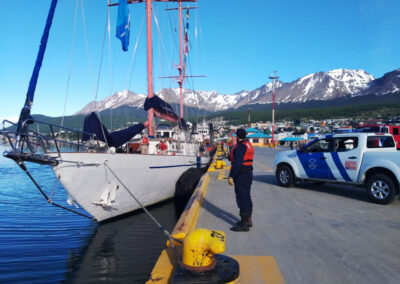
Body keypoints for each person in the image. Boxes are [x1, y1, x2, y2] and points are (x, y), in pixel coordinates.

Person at [228, 128, 254, 232]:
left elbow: (237, 164)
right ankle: (248, 219)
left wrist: (231, 176)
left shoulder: (240, 147)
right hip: (248, 173)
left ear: (237, 136)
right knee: (247, 197)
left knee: (241, 198)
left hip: (241, 176)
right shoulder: (248, 145)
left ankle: (244, 224)